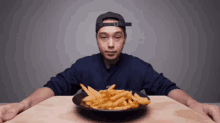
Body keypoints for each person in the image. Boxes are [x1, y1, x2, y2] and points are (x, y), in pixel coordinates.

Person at [0, 11, 219, 123]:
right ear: (96, 38)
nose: (111, 44)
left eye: (117, 37)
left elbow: (166, 88)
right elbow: (55, 86)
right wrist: (24, 103)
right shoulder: (83, 65)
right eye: (104, 37)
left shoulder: (139, 67)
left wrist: (194, 104)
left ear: (125, 39)